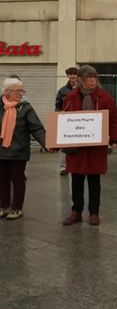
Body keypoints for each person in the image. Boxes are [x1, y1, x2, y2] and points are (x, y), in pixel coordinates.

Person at [61, 65, 117, 226]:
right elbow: (63, 122)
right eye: (89, 79)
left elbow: (114, 120)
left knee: (94, 181)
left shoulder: (105, 98)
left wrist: (114, 139)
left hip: (96, 149)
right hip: (76, 149)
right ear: (80, 80)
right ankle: (76, 212)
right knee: (76, 181)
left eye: (95, 78)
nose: (93, 81)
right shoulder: (70, 98)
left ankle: (94, 213)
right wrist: (56, 141)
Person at [0, 78, 46, 220]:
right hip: (1, 151)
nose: (21, 93)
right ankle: (4, 206)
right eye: (18, 90)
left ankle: (17, 208)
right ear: (7, 92)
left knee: (18, 180)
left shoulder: (26, 108)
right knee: (2, 180)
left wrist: (47, 144)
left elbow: (37, 128)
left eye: (22, 90)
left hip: (19, 151)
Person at [55, 66, 78, 176]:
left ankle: (78, 166)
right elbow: (57, 106)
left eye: (74, 74)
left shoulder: (82, 89)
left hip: (80, 122)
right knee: (65, 145)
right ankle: (64, 167)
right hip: (66, 122)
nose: (72, 76)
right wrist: (58, 118)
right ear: (67, 76)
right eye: (70, 74)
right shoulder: (62, 91)